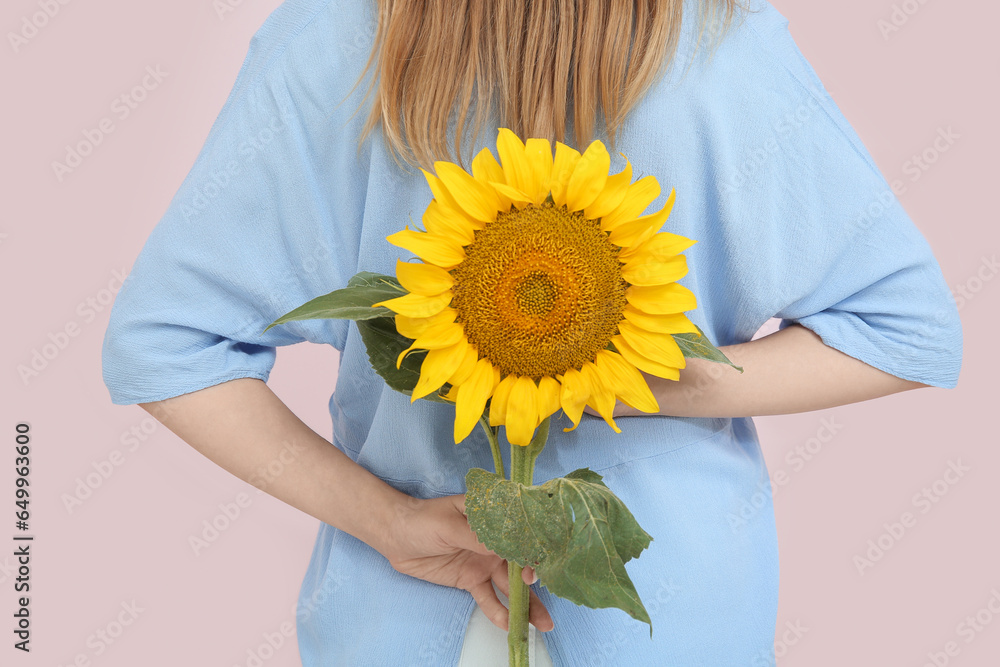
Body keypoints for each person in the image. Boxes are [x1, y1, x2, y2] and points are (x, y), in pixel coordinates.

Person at [101, 0, 963, 664]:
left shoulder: (334, 36)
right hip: (675, 614)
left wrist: (392, 522)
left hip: (401, 616)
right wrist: (651, 375)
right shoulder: (721, 43)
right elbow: (904, 329)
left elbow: (163, 344)